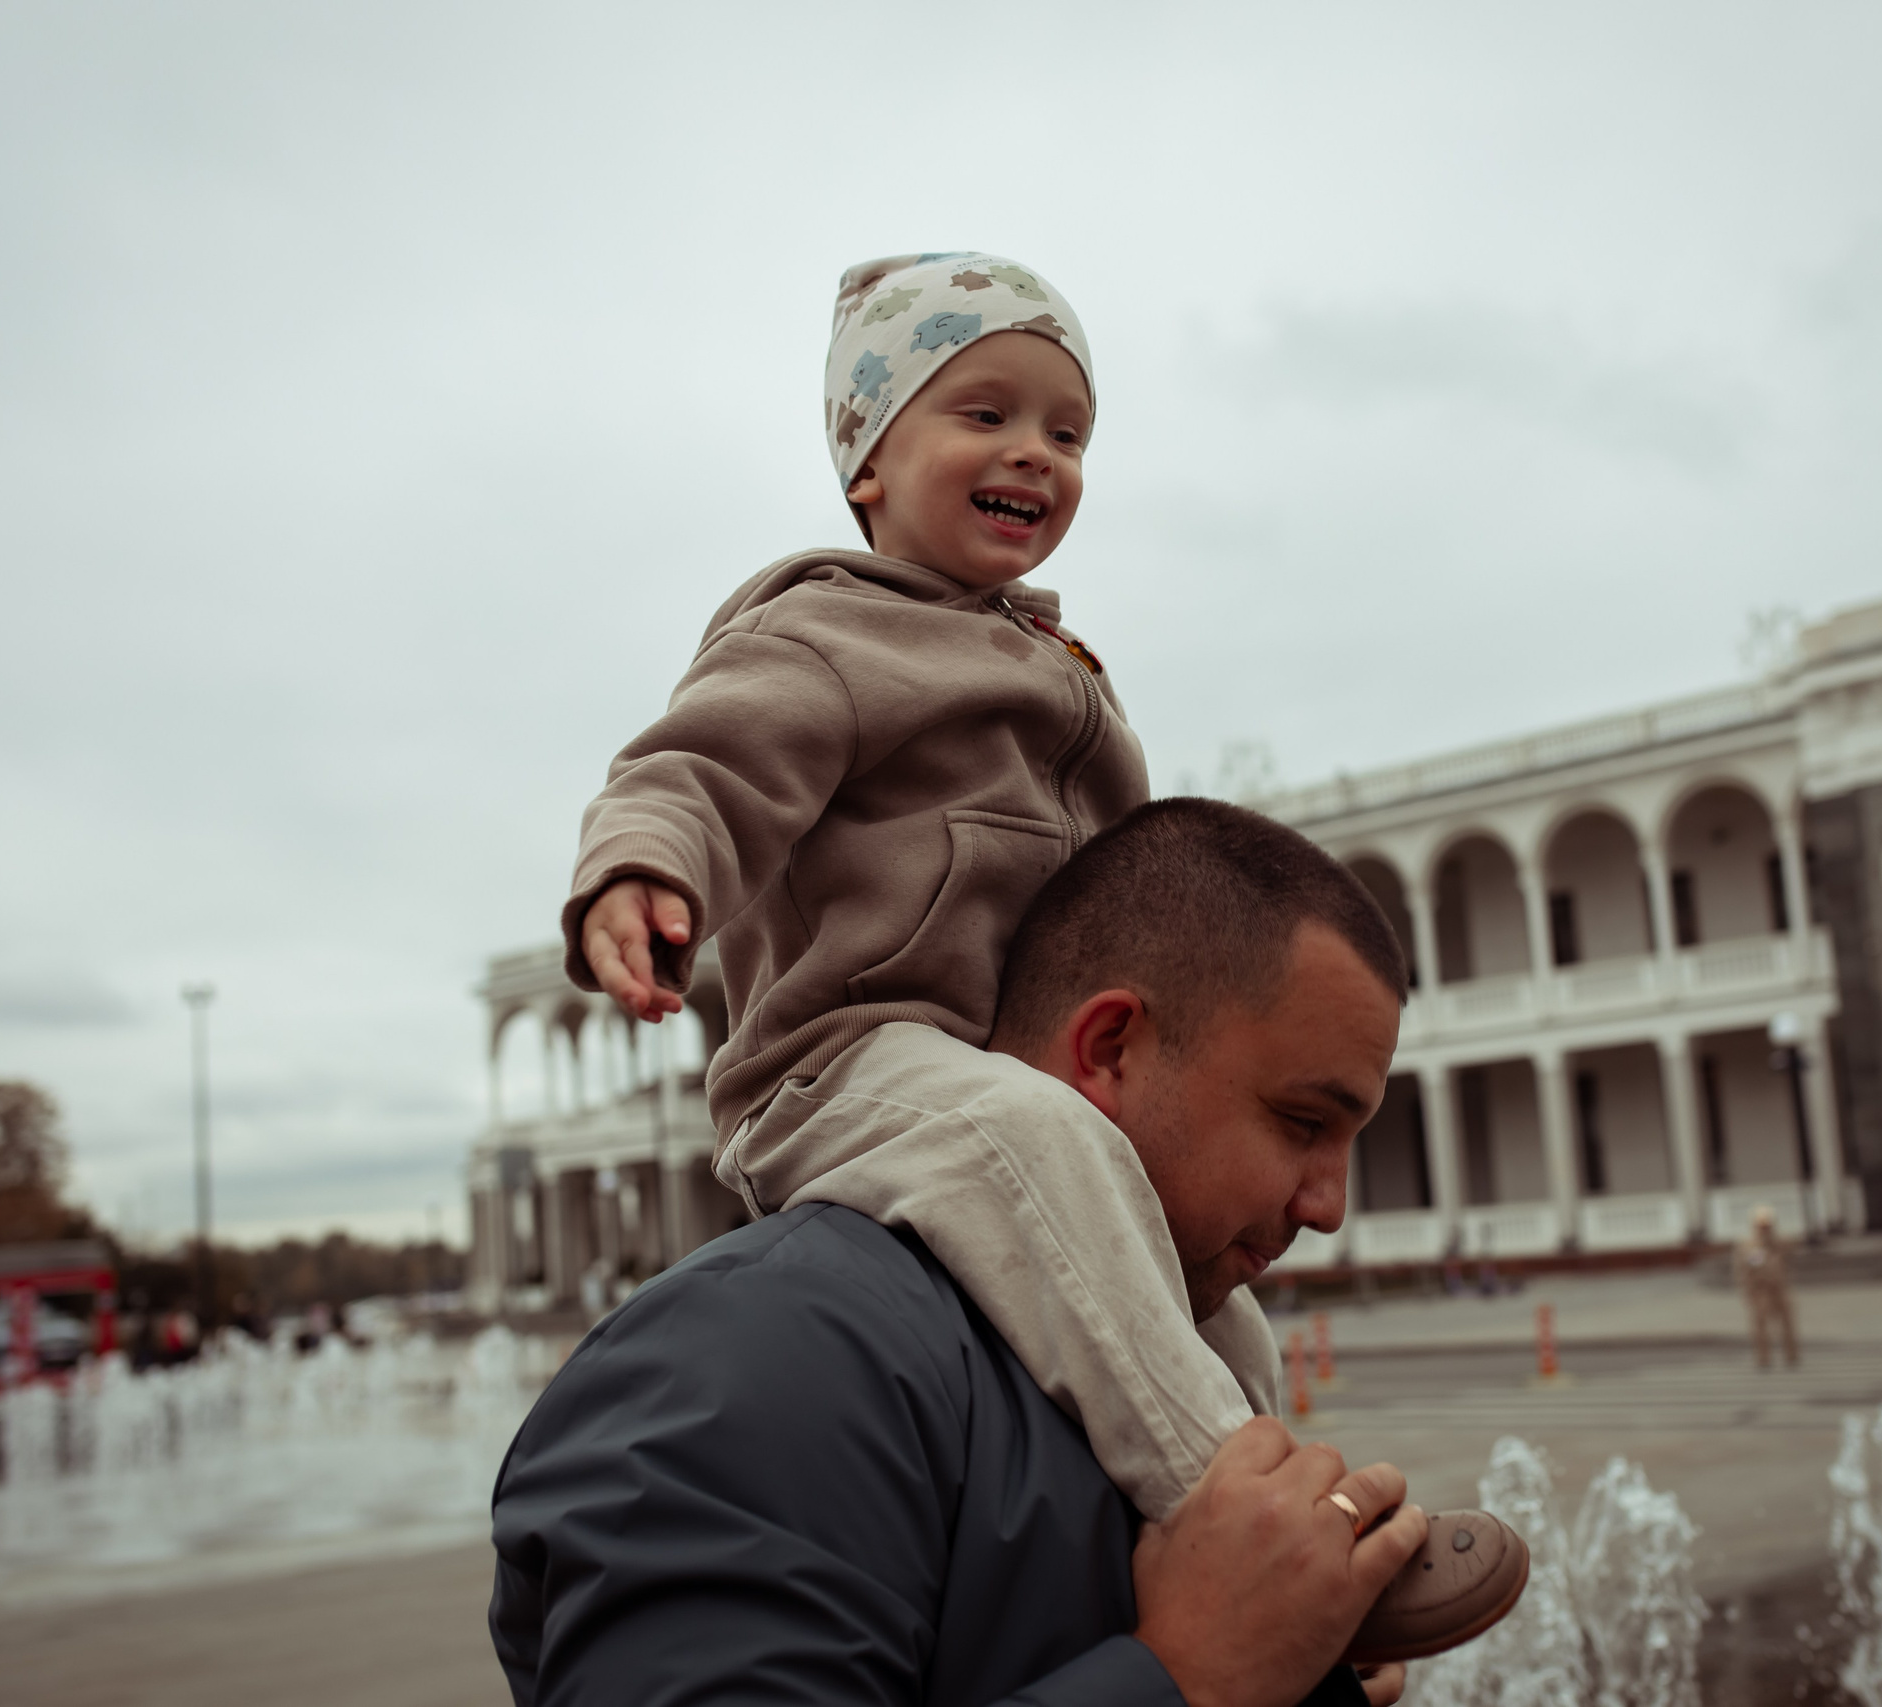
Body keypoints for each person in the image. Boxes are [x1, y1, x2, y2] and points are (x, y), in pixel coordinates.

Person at [557, 254, 1495, 1635]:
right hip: (849, 1065)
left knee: (1212, 1295)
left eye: (1068, 431)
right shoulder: (821, 631)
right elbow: (695, 766)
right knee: (1046, 1150)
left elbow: (1138, 889)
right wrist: (636, 866)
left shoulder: (1066, 677)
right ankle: (1230, 1522)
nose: (1033, 453)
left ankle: (1302, 1524)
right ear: (868, 462)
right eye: (984, 412)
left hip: (994, 1075)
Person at [493, 801, 1531, 1706]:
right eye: (1303, 1121)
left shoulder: (1161, 1354)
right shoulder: (754, 1357)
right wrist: (1186, 1681)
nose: (1331, 1206)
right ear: (1108, 1048)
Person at [1733, 1204, 1797, 1371]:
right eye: (1762, 1226)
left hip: (1779, 1288)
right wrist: (1746, 1292)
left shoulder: (1778, 1243)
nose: (1765, 1229)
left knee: (1787, 1323)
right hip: (1760, 1290)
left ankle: (1792, 1355)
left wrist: (1772, 1241)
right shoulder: (1749, 1245)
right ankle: (1763, 1358)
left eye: (1768, 1226)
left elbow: (1792, 1248)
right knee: (1760, 1326)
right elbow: (1743, 1270)